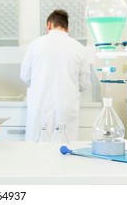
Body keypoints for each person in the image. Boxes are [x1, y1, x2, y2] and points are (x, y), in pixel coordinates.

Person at [20, 9, 90, 141]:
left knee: (36, 152)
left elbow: (25, 76)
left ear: (49, 24)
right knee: (65, 152)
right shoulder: (79, 48)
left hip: (40, 107)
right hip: (67, 110)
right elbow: (84, 83)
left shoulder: (36, 45)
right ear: (67, 28)